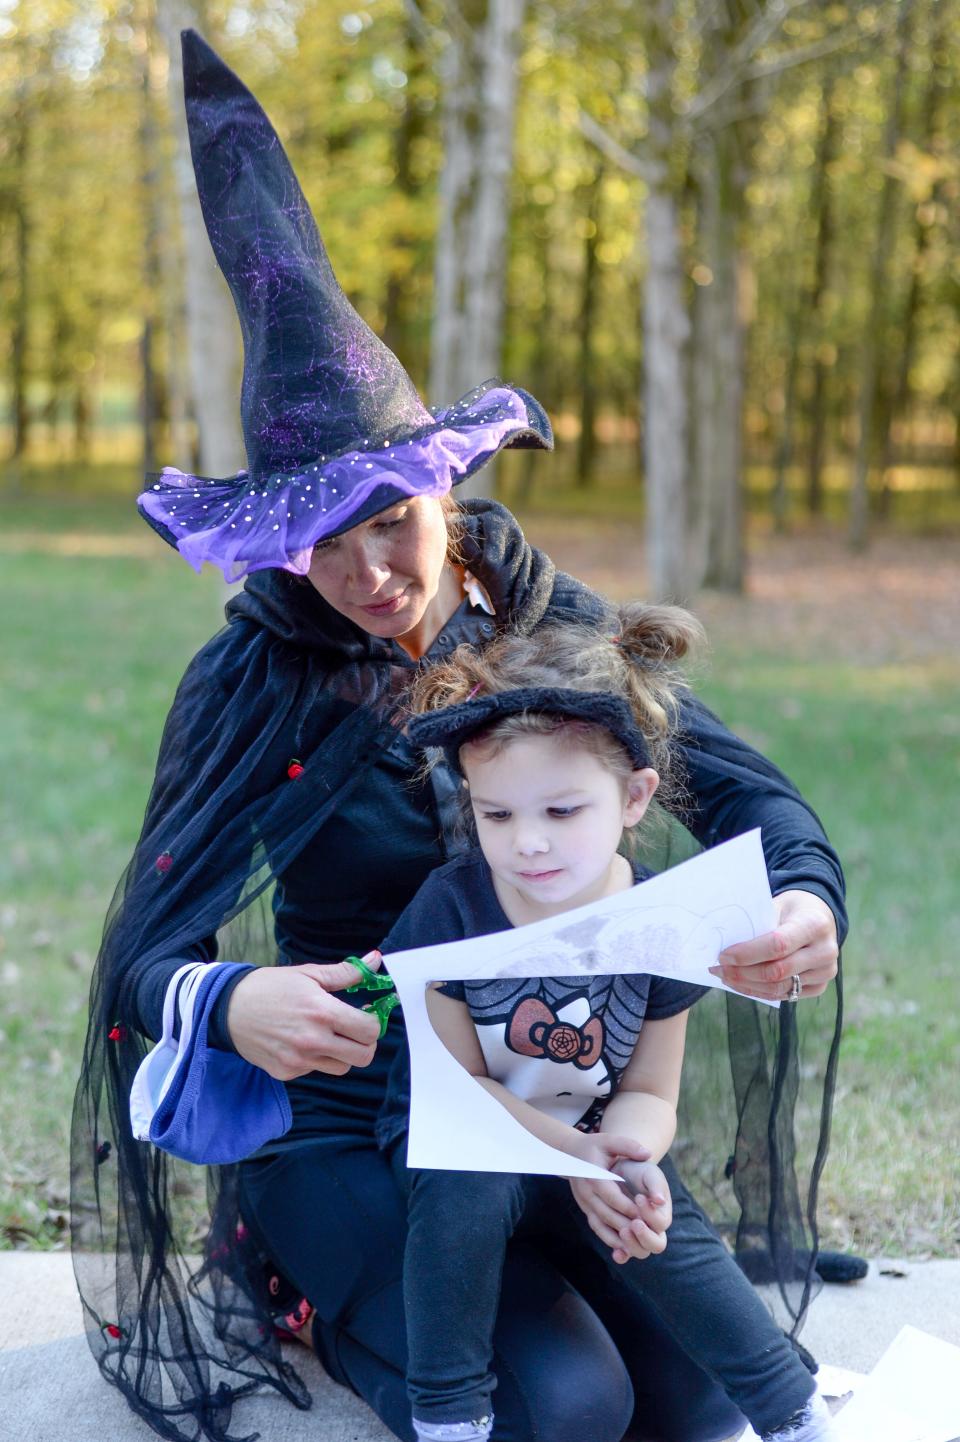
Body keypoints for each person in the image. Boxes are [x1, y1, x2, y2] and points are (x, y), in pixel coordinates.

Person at [71, 30, 844, 1442]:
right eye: (323, 541)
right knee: (563, 1405)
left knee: (691, 1400)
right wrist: (235, 1003)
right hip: (358, 1115)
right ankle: (289, 1270)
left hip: (542, 1081)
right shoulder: (247, 679)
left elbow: (741, 788)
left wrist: (802, 896)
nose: (371, 570)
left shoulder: (544, 619)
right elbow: (143, 956)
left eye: (393, 521)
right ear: (278, 546)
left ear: (442, 486)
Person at [377, 612, 836, 1442]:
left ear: (633, 798)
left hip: (592, 1135)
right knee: (465, 1188)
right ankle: (450, 1413)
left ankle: (792, 1410)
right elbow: (459, 1086)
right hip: (473, 1133)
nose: (529, 843)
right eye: (498, 816)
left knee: (658, 1211)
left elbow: (651, 1088)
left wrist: (627, 1153)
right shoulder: (450, 908)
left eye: (561, 809)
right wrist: (568, 1152)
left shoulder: (662, 920)